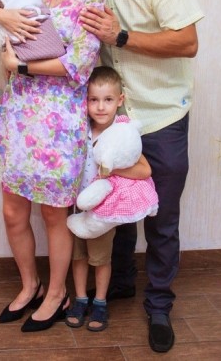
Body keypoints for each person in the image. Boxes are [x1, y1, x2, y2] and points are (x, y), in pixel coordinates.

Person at [78, 0, 205, 353]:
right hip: (115, 118)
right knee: (114, 203)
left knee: (162, 217)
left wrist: (121, 36)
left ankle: (160, 306)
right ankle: (121, 283)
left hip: (162, 113)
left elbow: (188, 42)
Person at [0, 0, 105, 333]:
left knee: (53, 214)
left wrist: (21, 66)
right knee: (13, 212)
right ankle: (29, 285)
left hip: (59, 122)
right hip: (17, 118)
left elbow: (79, 64)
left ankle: (56, 293)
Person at [65, 66, 154, 333]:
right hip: (75, 206)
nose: (100, 107)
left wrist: (111, 169)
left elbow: (144, 170)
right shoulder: (80, 128)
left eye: (108, 100)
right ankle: (81, 299)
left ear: (120, 100)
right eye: (93, 99)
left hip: (102, 212)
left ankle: (100, 303)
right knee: (78, 256)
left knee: (101, 258)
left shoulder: (121, 135)